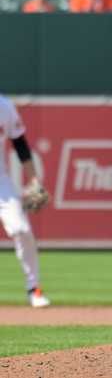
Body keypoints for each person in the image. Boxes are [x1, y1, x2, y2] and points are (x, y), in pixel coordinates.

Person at [0, 95, 50, 308]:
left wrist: (34, 180)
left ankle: (34, 288)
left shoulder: (4, 106)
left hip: (1, 182)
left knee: (22, 230)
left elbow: (20, 144)